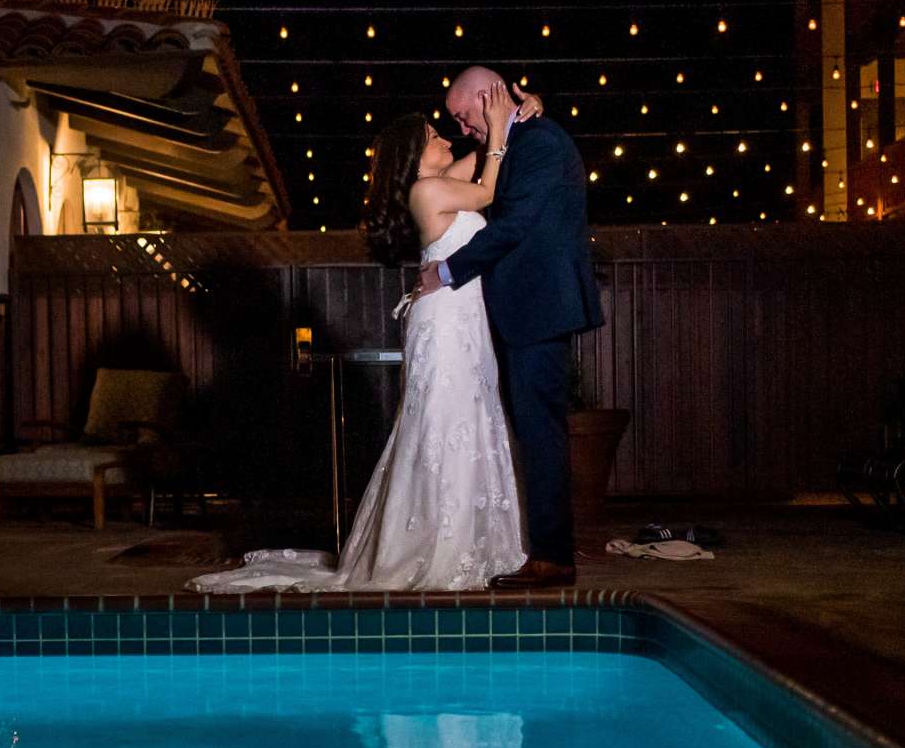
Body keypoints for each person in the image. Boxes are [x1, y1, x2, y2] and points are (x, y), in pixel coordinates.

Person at [188, 81, 533, 593]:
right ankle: (440, 545)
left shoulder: (439, 182)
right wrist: (500, 136)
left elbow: (485, 154)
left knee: (470, 417)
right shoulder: (427, 191)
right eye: (435, 136)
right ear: (415, 155)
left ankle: (475, 541)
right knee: (445, 421)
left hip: (465, 322)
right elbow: (487, 188)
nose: (445, 140)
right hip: (445, 326)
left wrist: (518, 112)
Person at [416, 66, 603, 587]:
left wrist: (447, 272)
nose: (460, 128)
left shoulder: (539, 141)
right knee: (532, 428)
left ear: (489, 96)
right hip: (519, 308)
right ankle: (542, 549)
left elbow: (517, 224)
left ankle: (552, 557)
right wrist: (504, 125)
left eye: (463, 115)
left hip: (539, 305)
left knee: (540, 431)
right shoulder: (510, 139)